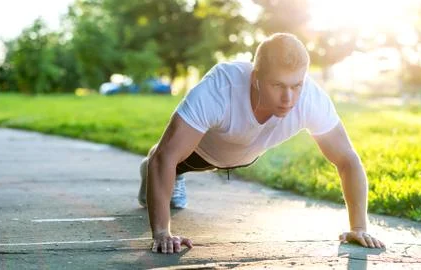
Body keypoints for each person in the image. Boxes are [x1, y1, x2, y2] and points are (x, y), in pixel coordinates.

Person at [137, 33, 386, 254]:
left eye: (296, 85)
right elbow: (166, 157)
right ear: (256, 77)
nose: (288, 98)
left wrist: (359, 227)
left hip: (248, 152)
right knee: (163, 159)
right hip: (200, 153)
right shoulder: (220, 87)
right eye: (277, 85)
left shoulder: (311, 98)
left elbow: (347, 159)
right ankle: (153, 173)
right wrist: (161, 233)